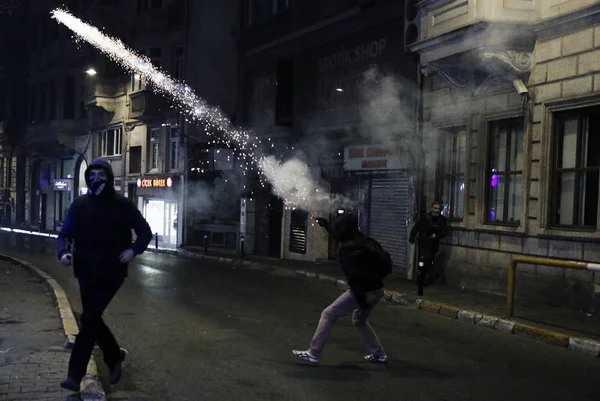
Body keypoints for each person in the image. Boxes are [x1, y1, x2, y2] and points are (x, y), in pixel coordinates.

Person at [57, 158, 153, 392]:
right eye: (93, 173)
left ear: (109, 177)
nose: (96, 178)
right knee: (92, 319)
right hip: (85, 272)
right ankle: (113, 355)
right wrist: (63, 253)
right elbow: (64, 235)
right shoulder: (79, 205)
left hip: (112, 272)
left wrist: (132, 250)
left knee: (89, 320)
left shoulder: (123, 205)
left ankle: (74, 375)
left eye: (101, 174)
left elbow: (145, 233)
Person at [292, 213, 391, 365]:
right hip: (377, 290)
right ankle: (379, 354)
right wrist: (325, 224)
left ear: (344, 230)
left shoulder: (346, 251)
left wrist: (361, 300)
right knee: (359, 320)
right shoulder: (367, 241)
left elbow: (354, 278)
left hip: (362, 292)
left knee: (328, 314)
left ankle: (313, 353)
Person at [409, 201, 448, 296]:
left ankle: (425, 278)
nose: (436, 211)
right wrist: (412, 237)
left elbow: (444, 232)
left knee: (430, 261)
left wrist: (437, 235)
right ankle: (420, 276)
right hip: (423, 242)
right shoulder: (425, 218)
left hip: (433, 244)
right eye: (435, 208)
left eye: (438, 209)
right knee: (423, 260)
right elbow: (416, 227)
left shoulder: (442, 220)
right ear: (431, 208)